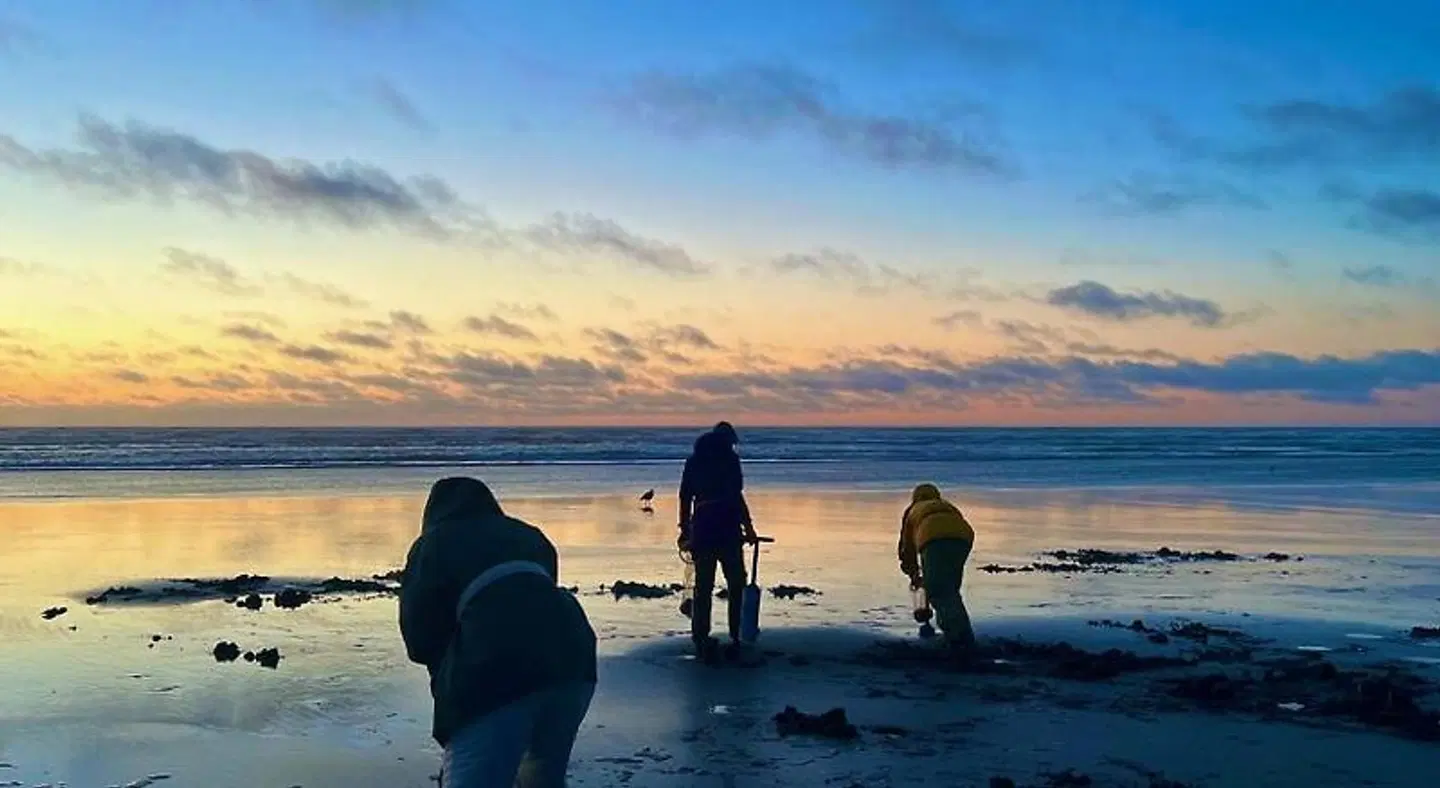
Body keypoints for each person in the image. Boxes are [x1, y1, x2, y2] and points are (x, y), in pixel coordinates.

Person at [400, 476, 597, 788]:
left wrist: (452, 683)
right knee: (543, 778)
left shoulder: (434, 543)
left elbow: (420, 641)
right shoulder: (532, 537)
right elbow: (532, 597)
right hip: (574, 656)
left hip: (494, 668)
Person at [677, 421, 758, 661]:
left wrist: (685, 529)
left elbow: (684, 496)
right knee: (736, 584)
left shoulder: (694, 461)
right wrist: (749, 526)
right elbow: (736, 495)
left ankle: (701, 638)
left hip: (702, 528)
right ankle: (737, 635)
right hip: (727, 527)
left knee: (703, 586)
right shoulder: (730, 460)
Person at [898, 483, 977, 652]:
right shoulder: (945, 505)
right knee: (950, 589)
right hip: (963, 537)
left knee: (938, 591)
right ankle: (962, 635)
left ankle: (958, 641)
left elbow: (906, 548)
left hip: (932, 537)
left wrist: (912, 573)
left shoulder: (913, 509)